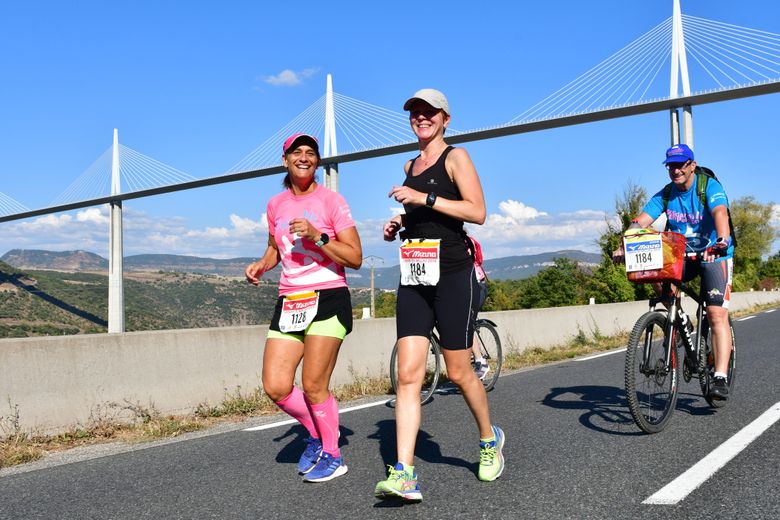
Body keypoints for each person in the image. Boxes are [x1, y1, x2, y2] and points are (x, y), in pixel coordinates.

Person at [375, 89, 505, 503]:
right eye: (415, 113)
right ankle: (405, 473)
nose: (421, 118)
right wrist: (401, 220)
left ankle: (489, 439)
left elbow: (477, 212)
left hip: (452, 274)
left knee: (458, 371)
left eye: (429, 112)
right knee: (408, 376)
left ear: (445, 118)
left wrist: (423, 197)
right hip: (415, 274)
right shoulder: (410, 164)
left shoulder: (457, 158)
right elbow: (422, 213)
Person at [245, 133, 362, 482]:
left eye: (311, 153)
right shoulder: (275, 204)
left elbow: (354, 257)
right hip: (291, 300)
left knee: (313, 385)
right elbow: (274, 248)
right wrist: (262, 265)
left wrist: (318, 236)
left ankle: (333, 453)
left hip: (328, 296)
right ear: (285, 160)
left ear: (317, 163)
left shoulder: (331, 201)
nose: (304, 157)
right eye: (297, 152)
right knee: (276, 385)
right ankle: (318, 432)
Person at [616, 143, 734, 400]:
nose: (676, 170)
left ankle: (721, 376)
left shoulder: (708, 187)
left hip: (714, 253)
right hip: (682, 255)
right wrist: (623, 245)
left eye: (681, 164)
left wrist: (722, 240)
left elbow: (720, 212)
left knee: (715, 313)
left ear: (692, 165)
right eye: (671, 165)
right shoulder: (666, 194)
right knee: (656, 274)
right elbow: (640, 222)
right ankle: (679, 318)